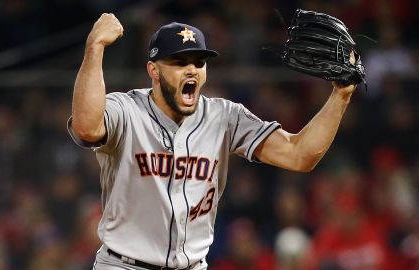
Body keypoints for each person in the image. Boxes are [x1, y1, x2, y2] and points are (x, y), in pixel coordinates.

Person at [68, 13, 357, 270]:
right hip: (124, 265)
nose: (192, 69)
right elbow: (87, 127)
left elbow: (299, 155)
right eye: (179, 62)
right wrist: (95, 49)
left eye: (199, 62)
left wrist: (341, 94)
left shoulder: (225, 116)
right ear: (153, 71)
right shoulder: (127, 109)